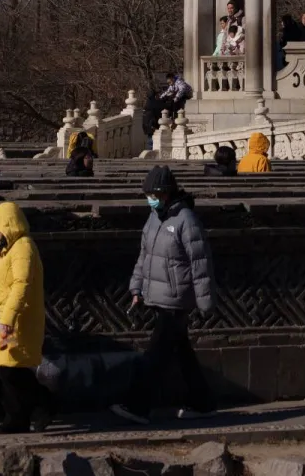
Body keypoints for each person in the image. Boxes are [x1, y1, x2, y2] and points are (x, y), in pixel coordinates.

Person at [113, 165, 216, 425]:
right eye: (148, 194)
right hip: (159, 294)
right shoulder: (154, 219)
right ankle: (203, 402)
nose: (150, 199)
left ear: (166, 193)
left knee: (156, 354)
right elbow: (145, 256)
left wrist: (205, 302)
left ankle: (138, 406)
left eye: (154, 194)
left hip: (177, 298)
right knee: (182, 351)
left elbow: (200, 264)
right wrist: (137, 287)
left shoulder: (186, 221)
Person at [0, 201, 49, 434]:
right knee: (8, 368)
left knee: (11, 368)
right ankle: (24, 413)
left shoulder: (23, 247)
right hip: (7, 320)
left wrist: (7, 319)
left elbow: (21, 285)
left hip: (16, 321)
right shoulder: (9, 249)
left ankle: (35, 407)